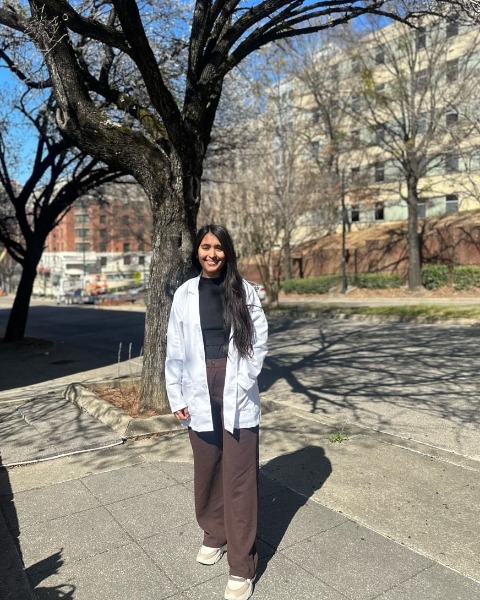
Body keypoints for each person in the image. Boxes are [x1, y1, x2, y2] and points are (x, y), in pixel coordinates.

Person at [165, 224, 268, 600]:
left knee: (239, 477)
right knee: (207, 468)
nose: (212, 254)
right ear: (197, 251)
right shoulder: (185, 293)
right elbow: (175, 347)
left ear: (228, 252)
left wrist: (242, 380)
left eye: (219, 248)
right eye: (206, 247)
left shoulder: (245, 291)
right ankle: (214, 533)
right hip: (198, 388)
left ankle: (242, 565)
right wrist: (176, 394)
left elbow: (258, 341)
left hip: (235, 386)